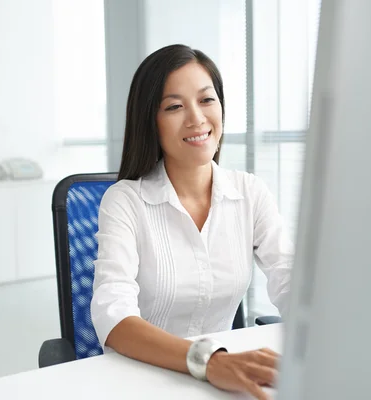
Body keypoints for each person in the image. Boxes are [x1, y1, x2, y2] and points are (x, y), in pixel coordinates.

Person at [90, 44, 294, 399]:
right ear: (150, 122)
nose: (197, 119)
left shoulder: (251, 193)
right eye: (174, 106)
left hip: (219, 382)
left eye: (206, 100)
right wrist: (209, 361)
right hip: (141, 380)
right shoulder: (124, 201)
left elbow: (291, 280)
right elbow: (114, 317)